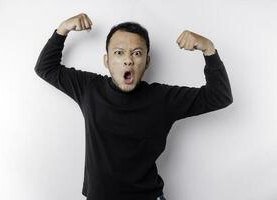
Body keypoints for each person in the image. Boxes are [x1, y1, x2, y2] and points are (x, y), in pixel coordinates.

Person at [34, 12, 233, 200]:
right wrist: (63, 29)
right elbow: (45, 68)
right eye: (119, 53)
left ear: (146, 62)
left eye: (136, 53)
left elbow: (219, 96)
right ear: (107, 61)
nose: (128, 60)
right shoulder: (89, 88)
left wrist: (209, 49)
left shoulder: (163, 99)